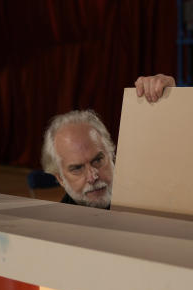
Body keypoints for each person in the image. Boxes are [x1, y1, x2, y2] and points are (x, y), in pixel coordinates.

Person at [41, 74, 174, 208]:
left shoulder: (147, 197)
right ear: (60, 179)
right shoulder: (58, 226)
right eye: (77, 168)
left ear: (112, 156)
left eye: (98, 160)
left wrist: (173, 96)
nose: (92, 177)